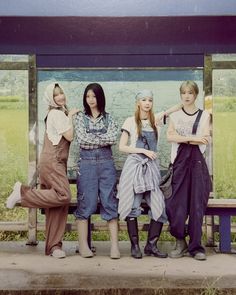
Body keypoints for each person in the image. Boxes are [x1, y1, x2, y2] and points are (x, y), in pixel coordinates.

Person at [6, 82, 79, 258]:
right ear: (50, 99)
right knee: (64, 196)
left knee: (57, 206)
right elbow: (70, 136)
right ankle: (23, 192)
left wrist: (67, 114)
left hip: (52, 162)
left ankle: (54, 246)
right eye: (56, 95)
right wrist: (71, 116)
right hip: (53, 162)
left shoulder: (56, 113)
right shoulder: (56, 113)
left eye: (61, 93)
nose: (60, 97)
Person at [117, 89, 181, 259]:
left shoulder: (155, 120)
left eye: (150, 100)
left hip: (151, 169)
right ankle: (135, 246)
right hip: (135, 168)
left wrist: (186, 100)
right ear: (138, 102)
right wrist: (143, 151)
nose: (147, 103)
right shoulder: (130, 121)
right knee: (133, 206)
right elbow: (122, 147)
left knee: (159, 207)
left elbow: (176, 107)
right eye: (144, 99)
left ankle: (151, 246)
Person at [166, 80, 212, 261]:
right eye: (183, 93)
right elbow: (169, 137)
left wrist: (181, 137)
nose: (186, 96)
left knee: (196, 205)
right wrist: (192, 138)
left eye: (190, 93)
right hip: (179, 164)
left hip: (198, 166)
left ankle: (196, 246)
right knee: (175, 204)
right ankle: (180, 241)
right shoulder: (175, 116)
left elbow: (205, 140)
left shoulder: (204, 115)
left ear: (196, 95)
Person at [74, 83, 120, 259]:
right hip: (86, 165)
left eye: (93, 96)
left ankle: (114, 246)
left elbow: (113, 138)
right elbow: (82, 141)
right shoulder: (80, 117)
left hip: (107, 164)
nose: (90, 100)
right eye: (87, 97)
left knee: (109, 202)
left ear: (100, 97)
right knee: (86, 203)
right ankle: (83, 245)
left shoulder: (110, 118)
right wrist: (102, 139)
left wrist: (94, 139)